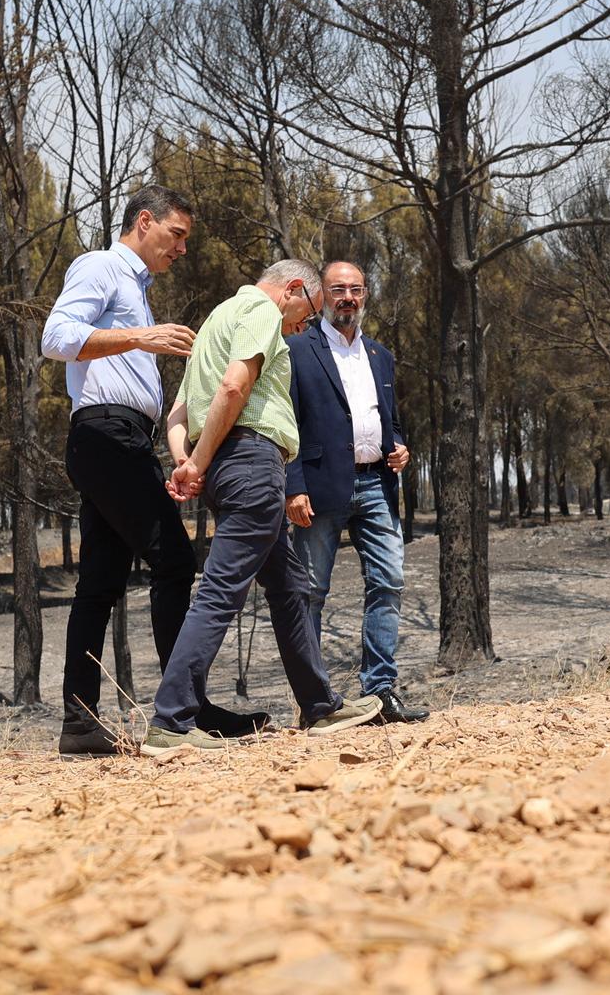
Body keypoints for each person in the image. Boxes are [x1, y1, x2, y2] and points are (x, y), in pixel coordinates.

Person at [40, 185, 267, 756]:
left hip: (116, 439)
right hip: (106, 436)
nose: (183, 249)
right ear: (145, 221)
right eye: (177, 235)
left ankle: (80, 721)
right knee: (172, 560)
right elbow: (56, 338)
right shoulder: (100, 267)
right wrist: (142, 336)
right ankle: (181, 714)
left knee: (100, 581)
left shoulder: (135, 290)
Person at [144, 259, 382, 754]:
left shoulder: (215, 320)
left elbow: (180, 410)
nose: (303, 325)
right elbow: (234, 387)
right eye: (307, 311)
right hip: (251, 461)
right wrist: (198, 462)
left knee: (289, 586)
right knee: (220, 591)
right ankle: (169, 722)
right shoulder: (259, 310)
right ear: (294, 288)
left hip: (228, 467)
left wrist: (186, 460)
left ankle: (320, 707)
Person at [284, 260, 428, 723]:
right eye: (338, 289)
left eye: (356, 290)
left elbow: (391, 420)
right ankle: (315, 703)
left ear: (366, 295)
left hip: (377, 486)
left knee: (388, 583)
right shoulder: (296, 351)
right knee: (310, 592)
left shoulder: (381, 355)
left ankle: (380, 693)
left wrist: (400, 445)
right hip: (320, 488)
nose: (348, 298)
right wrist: (293, 486)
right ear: (321, 295)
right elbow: (285, 425)